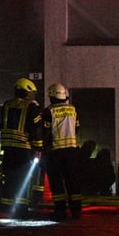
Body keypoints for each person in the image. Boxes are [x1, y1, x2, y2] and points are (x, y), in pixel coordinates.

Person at [0, 77, 43, 217]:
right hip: (23, 149)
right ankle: (21, 208)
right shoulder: (31, 107)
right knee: (23, 178)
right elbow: (36, 129)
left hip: (7, 148)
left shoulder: (6, 105)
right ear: (26, 93)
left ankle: (5, 206)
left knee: (9, 177)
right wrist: (38, 147)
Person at [41, 83, 82, 220]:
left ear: (51, 96)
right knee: (73, 181)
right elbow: (77, 128)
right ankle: (76, 211)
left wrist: (43, 148)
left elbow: (46, 132)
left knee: (57, 182)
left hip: (55, 151)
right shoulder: (72, 109)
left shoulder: (48, 111)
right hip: (72, 151)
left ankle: (60, 211)